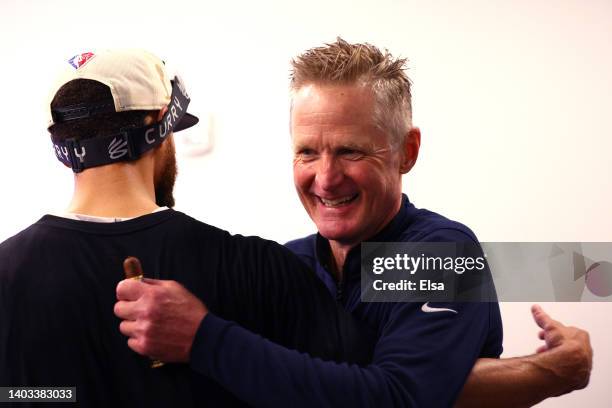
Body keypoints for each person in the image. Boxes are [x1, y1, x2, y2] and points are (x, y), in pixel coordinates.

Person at [115, 39, 593, 407]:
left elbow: (396, 399)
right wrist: (535, 372)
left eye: (350, 150)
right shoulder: (292, 261)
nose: (325, 178)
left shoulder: (438, 253)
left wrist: (205, 339)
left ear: (406, 151)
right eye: (307, 151)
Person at [0, 49, 374, 407]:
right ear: (160, 122)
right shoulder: (261, 269)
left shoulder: (7, 273)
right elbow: (366, 393)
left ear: (63, 146)